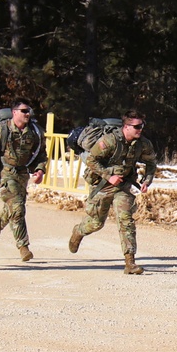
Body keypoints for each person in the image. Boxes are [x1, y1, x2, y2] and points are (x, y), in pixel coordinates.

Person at [68, 109, 157, 275]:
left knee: (126, 219)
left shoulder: (142, 143)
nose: (140, 129)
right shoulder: (109, 141)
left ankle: (130, 262)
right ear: (126, 127)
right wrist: (108, 176)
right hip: (102, 185)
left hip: (123, 186)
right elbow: (91, 160)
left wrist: (147, 180)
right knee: (95, 223)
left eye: (142, 126)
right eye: (137, 126)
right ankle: (78, 231)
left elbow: (152, 162)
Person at [0, 99, 47, 262]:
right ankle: (23, 247)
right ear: (14, 112)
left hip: (22, 174)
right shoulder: (1, 131)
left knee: (11, 209)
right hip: (5, 173)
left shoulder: (34, 132)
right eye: (24, 111)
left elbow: (40, 153)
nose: (28, 114)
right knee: (17, 208)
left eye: (29, 111)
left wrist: (39, 170)